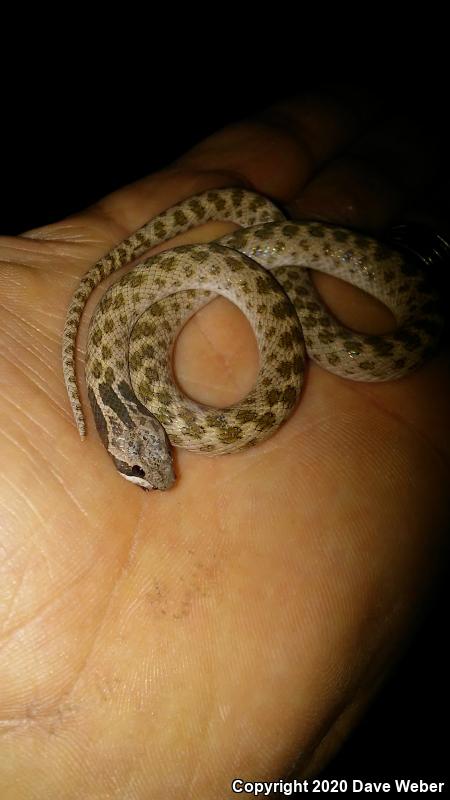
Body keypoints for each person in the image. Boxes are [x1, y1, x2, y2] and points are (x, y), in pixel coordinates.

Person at [0, 88, 448, 796]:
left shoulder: (136, 375)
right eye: (148, 464)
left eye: (153, 460)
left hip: (271, 266)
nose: (161, 474)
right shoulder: (129, 365)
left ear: (136, 429)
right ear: (134, 422)